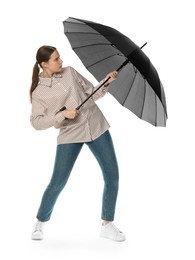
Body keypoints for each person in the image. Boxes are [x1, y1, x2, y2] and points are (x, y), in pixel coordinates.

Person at [30, 45, 126, 242]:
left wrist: (106, 82)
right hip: (70, 133)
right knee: (58, 181)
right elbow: (36, 122)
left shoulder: (70, 72)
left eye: (60, 57)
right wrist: (61, 115)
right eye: (56, 59)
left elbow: (92, 93)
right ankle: (39, 222)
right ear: (44, 64)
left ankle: (107, 224)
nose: (61, 61)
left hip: (97, 126)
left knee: (112, 175)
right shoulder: (39, 93)